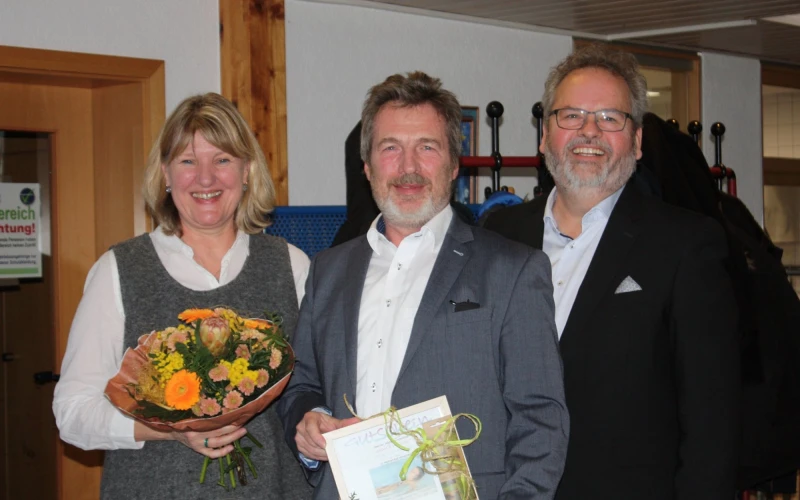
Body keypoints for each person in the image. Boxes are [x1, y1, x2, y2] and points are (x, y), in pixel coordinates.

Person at [277, 71, 569, 499]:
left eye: (426, 148)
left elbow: (541, 423)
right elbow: (301, 383)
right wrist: (308, 419)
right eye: (390, 148)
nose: (408, 167)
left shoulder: (513, 271)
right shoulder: (327, 270)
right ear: (367, 165)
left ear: (453, 165)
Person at [483, 44, 740, 500]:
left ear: (637, 142)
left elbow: (712, 425)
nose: (589, 131)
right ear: (544, 135)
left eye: (609, 118)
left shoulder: (685, 245)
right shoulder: (499, 234)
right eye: (572, 116)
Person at [53, 93, 312, 499]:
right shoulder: (119, 270)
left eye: (222, 160)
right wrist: (169, 430)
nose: (205, 179)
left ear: (246, 171)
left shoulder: (291, 265)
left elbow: (314, 391)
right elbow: (72, 414)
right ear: (166, 174)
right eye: (188, 162)